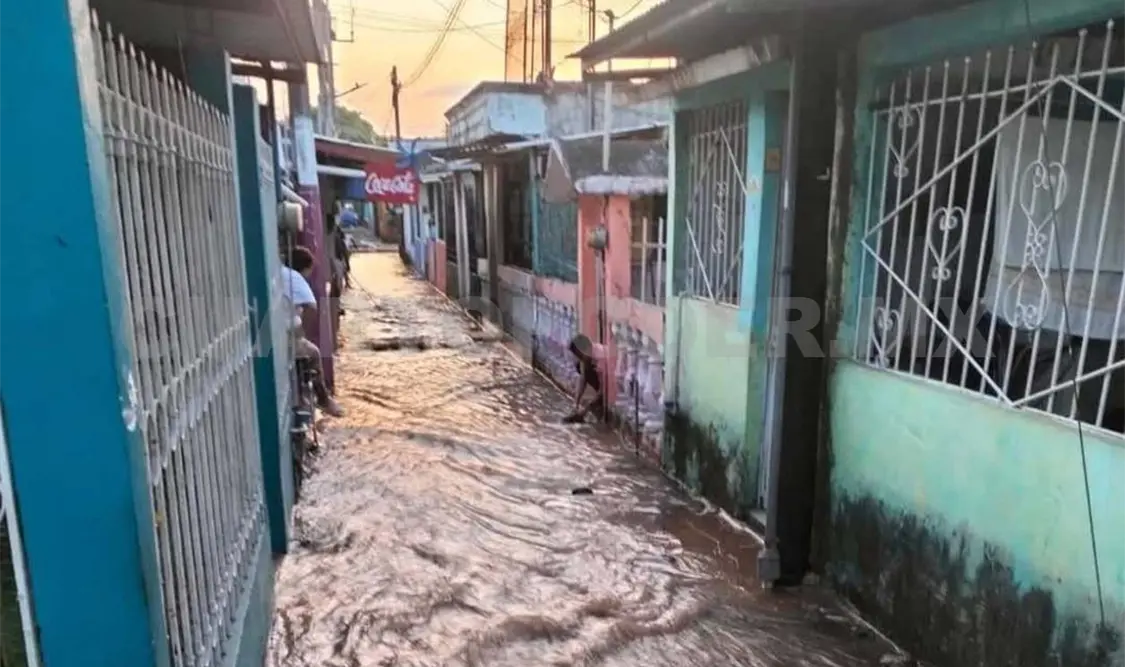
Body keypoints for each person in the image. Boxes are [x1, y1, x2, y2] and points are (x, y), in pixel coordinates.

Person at [283, 246, 345, 418]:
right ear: (305, 268)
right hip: (287, 335)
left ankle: (306, 397)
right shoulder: (295, 278)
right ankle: (323, 399)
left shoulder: (279, 274)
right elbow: (312, 307)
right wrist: (303, 332)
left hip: (275, 331)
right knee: (314, 353)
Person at [562, 334, 606, 424]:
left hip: (610, 385)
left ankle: (598, 403)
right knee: (579, 366)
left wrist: (586, 409)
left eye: (580, 355)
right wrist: (576, 404)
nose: (580, 358)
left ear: (587, 348)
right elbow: (582, 378)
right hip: (598, 376)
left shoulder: (601, 357)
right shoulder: (586, 357)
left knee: (585, 367)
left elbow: (603, 390)